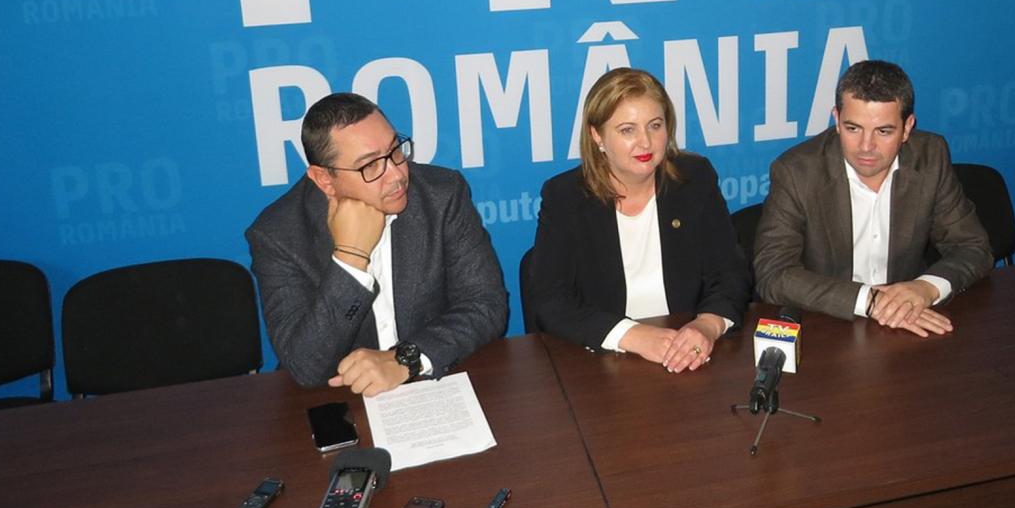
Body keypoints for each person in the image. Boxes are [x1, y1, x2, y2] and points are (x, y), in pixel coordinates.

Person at [246, 92, 508, 396]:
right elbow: (307, 367)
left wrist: (405, 360)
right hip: (341, 397)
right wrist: (350, 259)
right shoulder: (278, 235)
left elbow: (485, 304)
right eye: (370, 165)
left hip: (432, 383)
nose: (397, 174)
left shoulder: (441, 195)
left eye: (395, 150)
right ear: (324, 179)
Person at [528, 68, 751, 372]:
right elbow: (550, 300)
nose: (645, 143)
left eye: (655, 126)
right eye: (627, 130)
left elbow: (730, 271)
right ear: (597, 135)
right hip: (602, 364)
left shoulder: (694, 179)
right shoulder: (565, 197)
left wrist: (708, 325)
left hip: (689, 354)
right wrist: (631, 335)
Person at [752, 60, 992, 337]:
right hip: (827, 326)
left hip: (909, 321)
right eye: (853, 128)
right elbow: (773, 273)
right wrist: (871, 301)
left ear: (907, 127)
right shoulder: (797, 171)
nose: (866, 147)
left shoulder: (930, 157)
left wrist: (926, 287)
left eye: (883, 131)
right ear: (836, 120)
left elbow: (972, 246)